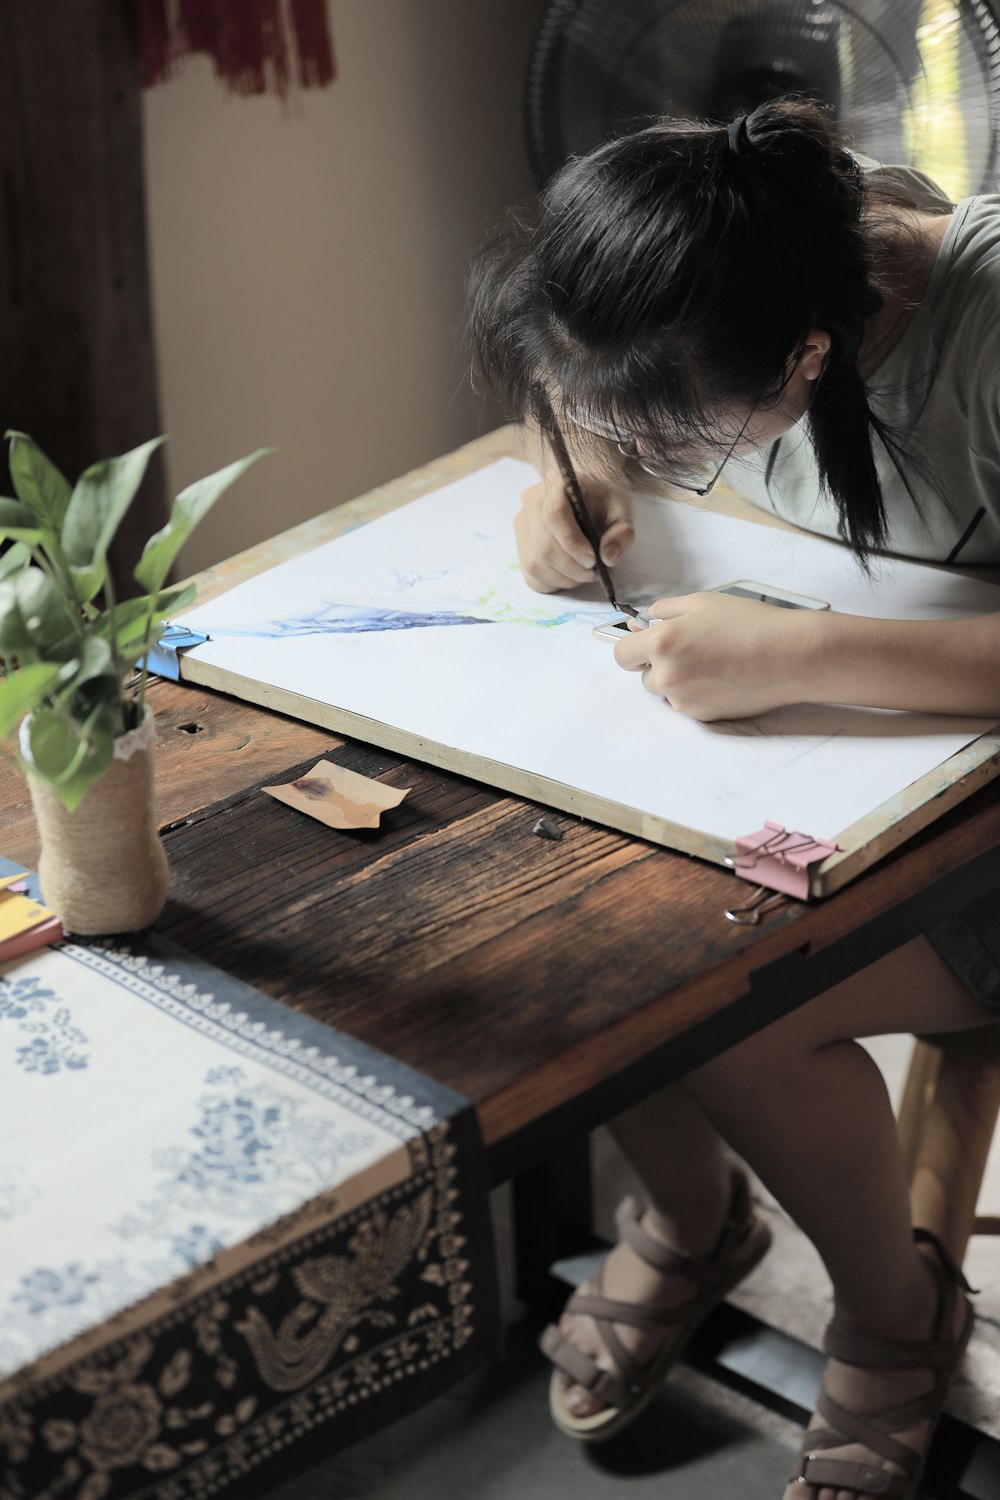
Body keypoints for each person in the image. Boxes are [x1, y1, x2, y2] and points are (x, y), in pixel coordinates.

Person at [467, 97, 1000, 1500]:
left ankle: (895, 1314)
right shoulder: (729, 231)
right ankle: (700, 1221)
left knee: (738, 1001)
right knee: (574, 943)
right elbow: (570, 382)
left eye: (679, 431)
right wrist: (569, 466)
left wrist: (813, 653)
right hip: (844, 777)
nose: (650, 443)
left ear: (811, 356)